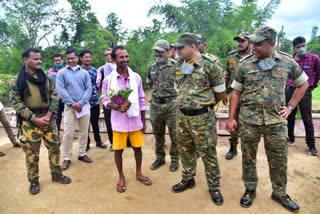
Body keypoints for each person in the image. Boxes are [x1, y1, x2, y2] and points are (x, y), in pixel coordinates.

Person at [226, 26, 308, 213]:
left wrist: (290, 107)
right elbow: (236, 92)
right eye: (252, 43)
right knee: (248, 158)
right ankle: (250, 189)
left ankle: (279, 192)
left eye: (259, 44)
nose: (254, 46)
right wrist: (231, 118)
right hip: (249, 120)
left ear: (272, 43)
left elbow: (303, 84)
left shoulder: (287, 62)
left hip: (276, 121)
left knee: (279, 160)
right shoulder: (245, 64)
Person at [171, 33, 226, 205]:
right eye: (177, 48)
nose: (177, 50)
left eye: (181, 47)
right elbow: (178, 89)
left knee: (208, 152)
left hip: (202, 117)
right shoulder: (178, 65)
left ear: (192, 47)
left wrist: (205, 106)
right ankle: (188, 178)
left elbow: (221, 93)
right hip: (181, 116)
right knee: (185, 150)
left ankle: (214, 186)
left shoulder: (210, 65)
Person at [10, 48, 71, 195]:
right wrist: (34, 118)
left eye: (40, 58)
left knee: (55, 148)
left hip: (48, 119)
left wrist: (49, 115)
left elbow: (55, 95)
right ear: (25, 60)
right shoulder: (17, 80)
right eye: (36, 59)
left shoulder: (46, 77)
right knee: (31, 152)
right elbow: (16, 103)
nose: (40, 61)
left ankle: (56, 174)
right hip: (30, 122)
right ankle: (34, 180)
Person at [102, 45, 152, 193]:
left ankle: (138, 173)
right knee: (118, 150)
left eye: (126, 56)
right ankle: (121, 176)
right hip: (119, 121)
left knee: (138, 148)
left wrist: (143, 120)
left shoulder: (136, 77)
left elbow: (142, 99)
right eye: (121, 57)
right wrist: (116, 106)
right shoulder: (108, 80)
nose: (125, 59)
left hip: (135, 119)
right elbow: (104, 100)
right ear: (114, 59)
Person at [56, 49, 93, 170]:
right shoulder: (61, 73)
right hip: (69, 107)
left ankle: (82, 154)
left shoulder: (84, 73)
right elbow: (61, 90)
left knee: (84, 131)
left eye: (73, 58)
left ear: (77, 58)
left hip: (84, 106)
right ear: (66, 59)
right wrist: (73, 103)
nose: (71, 60)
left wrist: (81, 103)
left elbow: (89, 89)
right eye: (68, 58)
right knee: (68, 133)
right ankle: (66, 157)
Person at [147, 39, 179, 172]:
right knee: (158, 133)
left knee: (175, 134)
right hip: (155, 105)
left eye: (160, 51)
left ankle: (175, 159)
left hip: (172, 104)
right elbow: (149, 83)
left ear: (169, 52)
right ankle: (160, 158)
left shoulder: (176, 66)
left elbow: (182, 84)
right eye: (156, 51)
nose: (157, 54)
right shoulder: (151, 66)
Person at [285, 36, 320, 156]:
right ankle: (290, 138)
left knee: (307, 118)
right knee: (289, 114)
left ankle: (311, 145)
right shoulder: (290, 60)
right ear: (294, 48)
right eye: (299, 47)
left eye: (303, 46)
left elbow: (318, 73)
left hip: (305, 91)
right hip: (290, 89)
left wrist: (313, 85)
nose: (302, 48)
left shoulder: (314, 58)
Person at [223, 32, 252, 160]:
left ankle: (248, 153)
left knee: (249, 127)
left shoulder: (255, 56)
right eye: (238, 41)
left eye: (242, 41)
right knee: (232, 123)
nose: (239, 43)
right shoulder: (231, 56)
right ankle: (233, 148)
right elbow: (226, 74)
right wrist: (224, 92)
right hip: (235, 96)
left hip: (250, 97)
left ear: (249, 42)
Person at [79, 49, 107, 151]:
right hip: (83, 103)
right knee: (84, 125)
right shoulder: (78, 71)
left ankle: (98, 141)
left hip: (94, 102)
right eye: (86, 57)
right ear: (81, 58)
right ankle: (86, 143)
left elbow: (99, 85)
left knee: (95, 123)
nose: (88, 59)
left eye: (89, 57)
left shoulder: (95, 71)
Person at [96, 48, 116, 151]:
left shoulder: (119, 67)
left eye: (110, 54)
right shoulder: (101, 69)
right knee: (109, 121)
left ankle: (123, 141)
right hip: (107, 99)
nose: (108, 56)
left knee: (120, 119)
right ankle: (113, 143)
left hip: (119, 98)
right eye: (106, 54)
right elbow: (98, 84)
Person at [47, 53, 65, 135]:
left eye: (59, 60)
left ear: (62, 60)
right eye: (55, 60)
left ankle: (68, 135)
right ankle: (57, 134)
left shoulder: (67, 70)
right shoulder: (49, 72)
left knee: (69, 118)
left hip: (66, 99)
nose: (57, 62)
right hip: (55, 99)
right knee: (57, 118)